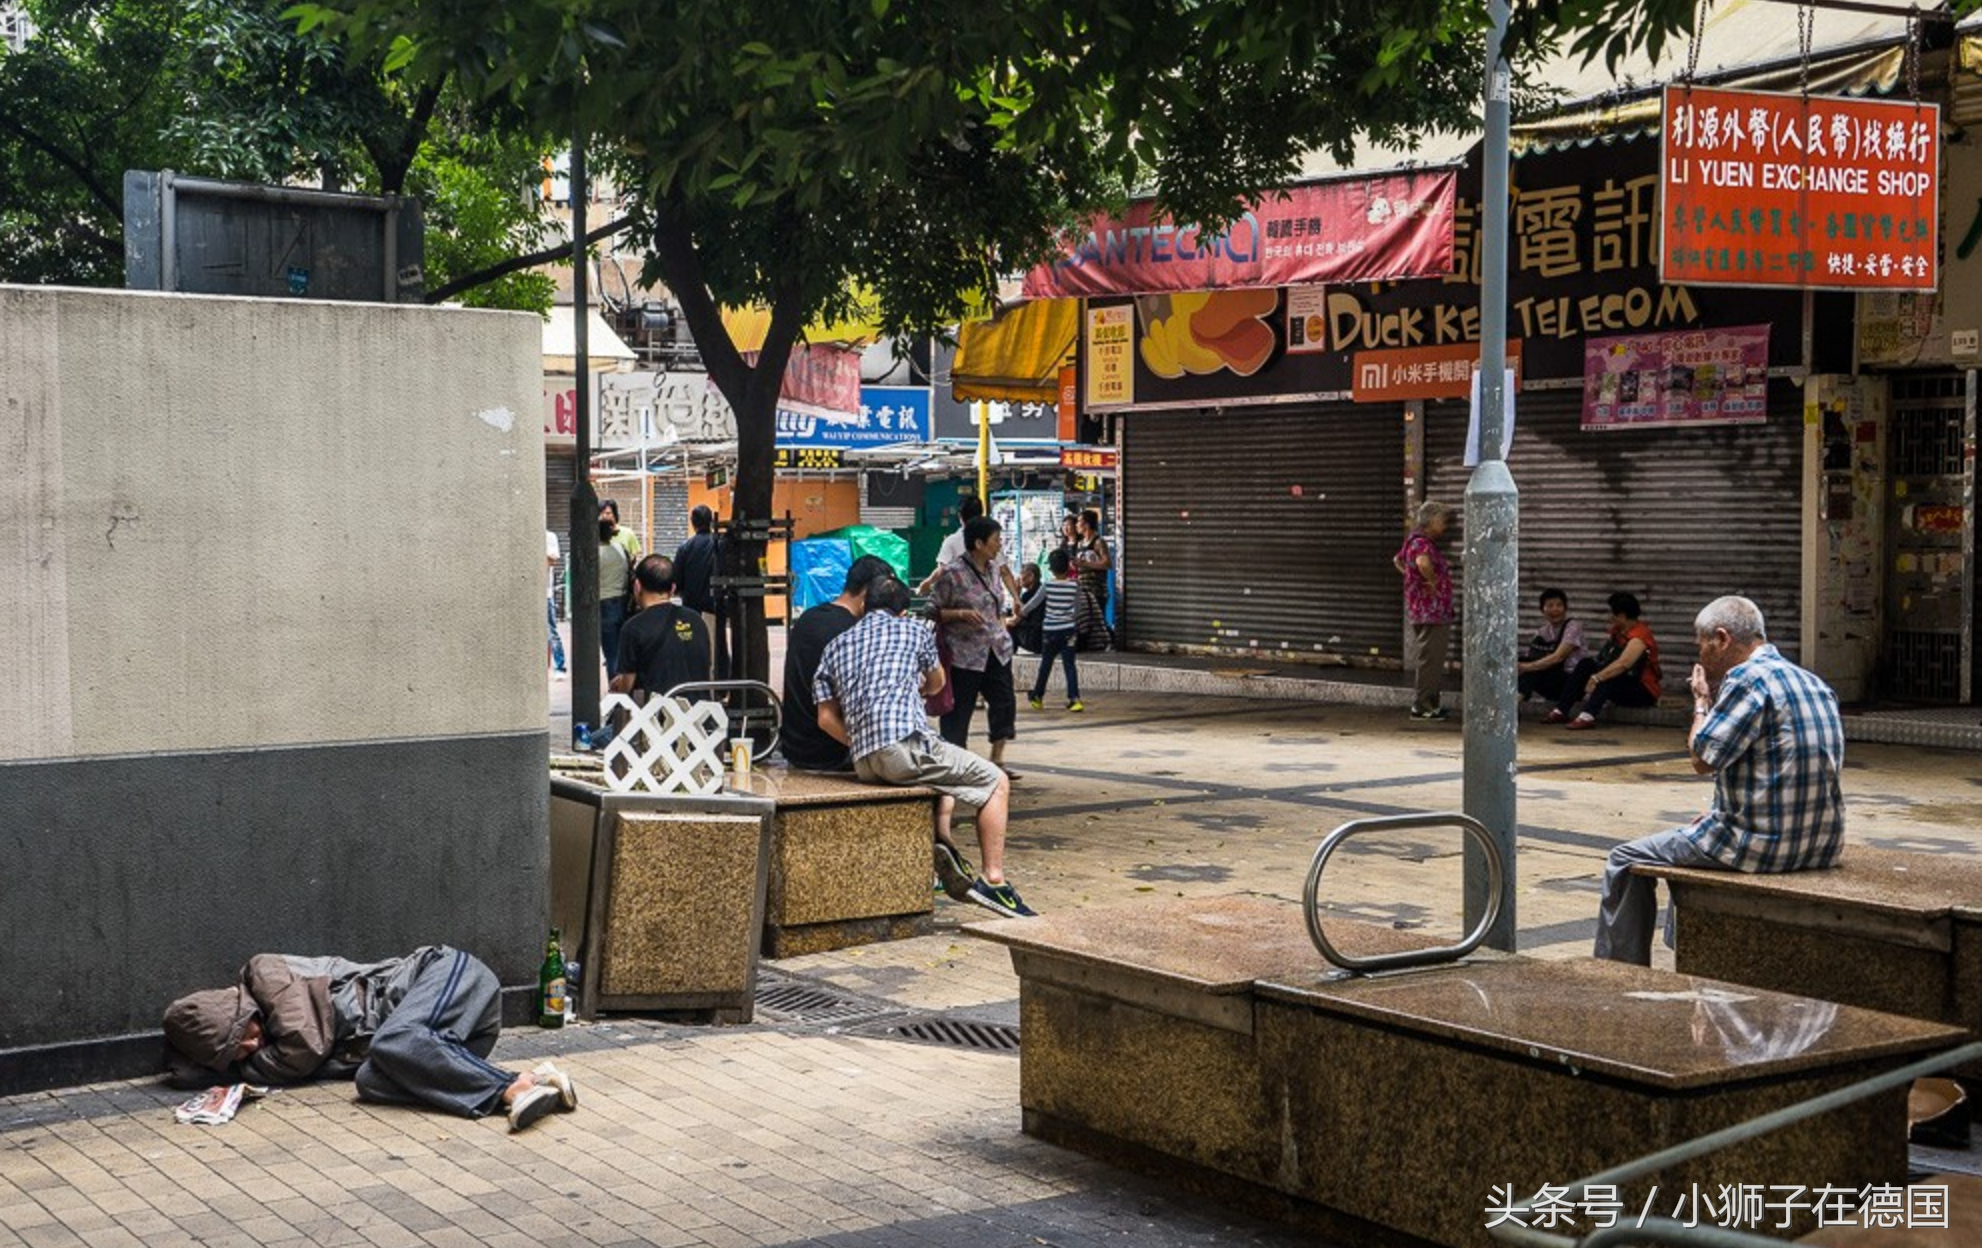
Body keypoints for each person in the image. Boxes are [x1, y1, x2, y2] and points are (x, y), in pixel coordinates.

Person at [1593, 596, 1844, 964]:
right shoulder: (1812, 681)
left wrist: (1700, 702)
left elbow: (1702, 758)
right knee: (1691, 841)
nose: (1699, 651)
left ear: (1722, 639)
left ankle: (1619, 974)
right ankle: (1693, 950)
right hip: (1822, 843)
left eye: (1700, 642)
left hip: (1764, 847)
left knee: (1624, 860)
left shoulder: (1746, 679)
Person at [161, 946, 578, 1133]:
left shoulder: (266, 974)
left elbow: (303, 1047)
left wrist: (241, 1066)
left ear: (239, 1013)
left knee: (391, 1043)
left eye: (242, 1038)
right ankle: (534, 1082)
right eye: (238, 1054)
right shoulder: (266, 1040)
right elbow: (185, 1071)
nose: (251, 1049)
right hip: (441, 1041)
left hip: (448, 976)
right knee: (370, 1081)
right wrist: (210, 1066)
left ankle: (510, 1088)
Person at [814, 575, 1033, 918]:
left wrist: (863, 740)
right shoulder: (915, 630)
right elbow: (936, 684)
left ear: (864, 606)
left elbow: (825, 718)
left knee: (941, 778)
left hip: (864, 762)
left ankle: (942, 849)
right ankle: (994, 880)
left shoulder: (835, 645)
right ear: (902, 612)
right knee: (995, 783)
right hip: (903, 746)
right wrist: (914, 690)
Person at [779, 554, 896, 773]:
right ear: (868, 592)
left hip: (794, 748)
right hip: (833, 753)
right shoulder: (855, 633)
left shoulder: (808, 618)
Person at [926, 516, 1019, 775]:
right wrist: (959, 614)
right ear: (978, 543)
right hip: (963, 655)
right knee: (959, 711)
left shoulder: (992, 569)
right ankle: (957, 763)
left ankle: (997, 759)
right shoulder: (952, 573)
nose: (999, 545)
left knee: (1004, 703)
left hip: (996, 650)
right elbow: (930, 609)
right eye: (996, 541)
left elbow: (995, 603)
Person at [1554, 591, 1662, 729]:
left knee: (1610, 676)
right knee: (1586, 664)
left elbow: (1623, 664)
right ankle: (1561, 710)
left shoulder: (1639, 636)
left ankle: (1587, 716)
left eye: (1612, 614)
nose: (1610, 617)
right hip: (1624, 682)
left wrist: (1596, 678)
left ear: (1622, 616)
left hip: (1642, 690)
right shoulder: (1618, 631)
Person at [611, 555, 711, 703]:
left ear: (637, 585)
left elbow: (627, 684)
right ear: (673, 588)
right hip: (699, 717)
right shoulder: (696, 620)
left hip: (656, 719)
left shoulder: (633, 627)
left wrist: (620, 684)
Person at [1393, 500, 1455, 720]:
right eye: (1443, 521)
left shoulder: (1413, 541)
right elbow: (1423, 564)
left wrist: (1413, 581)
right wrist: (1432, 582)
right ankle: (1422, 707)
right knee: (1431, 660)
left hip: (1423, 609)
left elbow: (1397, 561)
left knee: (1431, 658)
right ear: (1433, 520)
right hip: (1432, 611)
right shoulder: (1422, 544)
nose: (1445, 526)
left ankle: (1432, 705)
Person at [919, 496, 1022, 607]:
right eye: (998, 540)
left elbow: (941, 571)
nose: (999, 545)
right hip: (988, 603)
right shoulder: (988, 541)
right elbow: (1004, 571)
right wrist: (1016, 599)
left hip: (960, 603)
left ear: (960, 516)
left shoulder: (951, 542)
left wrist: (927, 583)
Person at [1023, 548, 1083, 712]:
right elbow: (1077, 609)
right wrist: (1071, 619)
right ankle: (1074, 699)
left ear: (1050, 568)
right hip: (1069, 630)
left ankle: (1038, 696)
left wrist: (1021, 612)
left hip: (1050, 631)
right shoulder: (1075, 586)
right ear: (1068, 567)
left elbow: (1033, 603)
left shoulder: (1047, 585)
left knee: (1046, 664)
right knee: (1069, 665)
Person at [673, 505, 725, 678]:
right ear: (711, 521)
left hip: (692, 606)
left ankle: (696, 678)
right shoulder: (720, 544)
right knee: (718, 643)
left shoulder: (685, 547)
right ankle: (721, 680)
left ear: (692, 523)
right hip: (716, 604)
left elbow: (677, 579)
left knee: (692, 643)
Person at [1516, 587, 1584, 707]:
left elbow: (1559, 657)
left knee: (1530, 668)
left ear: (1565, 608)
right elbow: (1530, 656)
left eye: (1559, 605)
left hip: (1569, 681)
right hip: (1548, 678)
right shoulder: (1542, 631)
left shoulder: (1573, 627)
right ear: (1542, 610)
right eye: (1550, 606)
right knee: (1521, 662)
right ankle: (1513, 699)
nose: (1555, 609)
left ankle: (1514, 702)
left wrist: (1527, 667)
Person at [1071, 508, 1113, 649]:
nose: (1076, 525)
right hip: (1083, 588)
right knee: (1086, 620)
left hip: (1097, 589)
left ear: (1087, 525)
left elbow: (1107, 563)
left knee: (1098, 618)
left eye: (1079, 522)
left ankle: (1110, 641)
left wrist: (1085, 564)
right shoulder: (1080, 543)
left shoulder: (1098, 542)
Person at [596, 514, 633, 677]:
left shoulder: (595, 554)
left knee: (611, 654)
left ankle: (616, 692)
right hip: (623, 601)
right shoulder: (621, 549)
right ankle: (626, 689)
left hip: (604, 602)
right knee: (622, 650)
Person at [1009, 563, 1045, 656]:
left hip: (1035, 640)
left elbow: (1015, 617)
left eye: (1021, 573)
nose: (1019, 577)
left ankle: (1010, 654)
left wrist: (1016, 592)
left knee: (1009, 625)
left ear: (1031, 576)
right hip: (1045, 639)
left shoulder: (1028, 595)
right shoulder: (1042, 590)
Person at [545, 530, 566, 677]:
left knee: (551, 631)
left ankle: (559, 666)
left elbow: (553, 559)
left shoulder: (549, 536)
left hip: (546, 592)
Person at [600, 500, 642, 568]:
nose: (604, 516)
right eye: (601, 513)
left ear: (615, 514)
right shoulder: (594, 535)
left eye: (608, 513)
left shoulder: (628, 533)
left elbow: (634, 556)